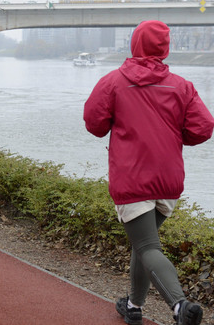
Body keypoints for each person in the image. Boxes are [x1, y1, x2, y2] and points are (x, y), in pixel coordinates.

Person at [84, 20, 213, 325]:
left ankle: (180, 306)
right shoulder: (182, 86)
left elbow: (94, 123)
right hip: (168, 180)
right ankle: (133, 305)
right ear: (165, 48)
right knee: (142, 243)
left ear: (134, 44)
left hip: (133, 179)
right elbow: (203, 127)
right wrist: (172, 137)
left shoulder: (113, 82)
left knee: (147, 246)